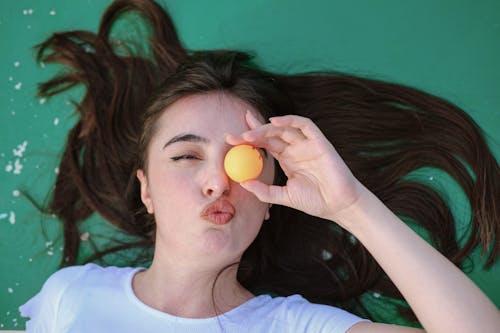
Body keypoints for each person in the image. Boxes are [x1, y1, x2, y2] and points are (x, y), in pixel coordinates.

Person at [19, 0, 500, 332]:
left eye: (242, 161)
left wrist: (351, 205)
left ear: (271, 197)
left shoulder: (295, 326)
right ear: (145, 189)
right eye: (187, 155)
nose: (218, 182)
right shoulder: (72, 295)